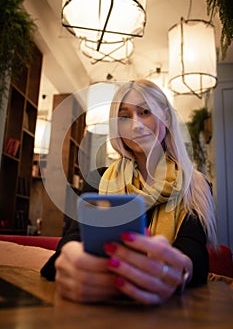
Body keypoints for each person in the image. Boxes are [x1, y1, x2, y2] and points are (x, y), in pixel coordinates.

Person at [41, 79, 217, 305]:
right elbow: (73, 238)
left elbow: (194, 254)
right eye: (124, 116)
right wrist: (70, 257)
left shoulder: (197, 186)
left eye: (145, 111)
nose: (135, 125)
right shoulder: (99, 179)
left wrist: (177, 269)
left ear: (165, 117)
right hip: (102, 307)